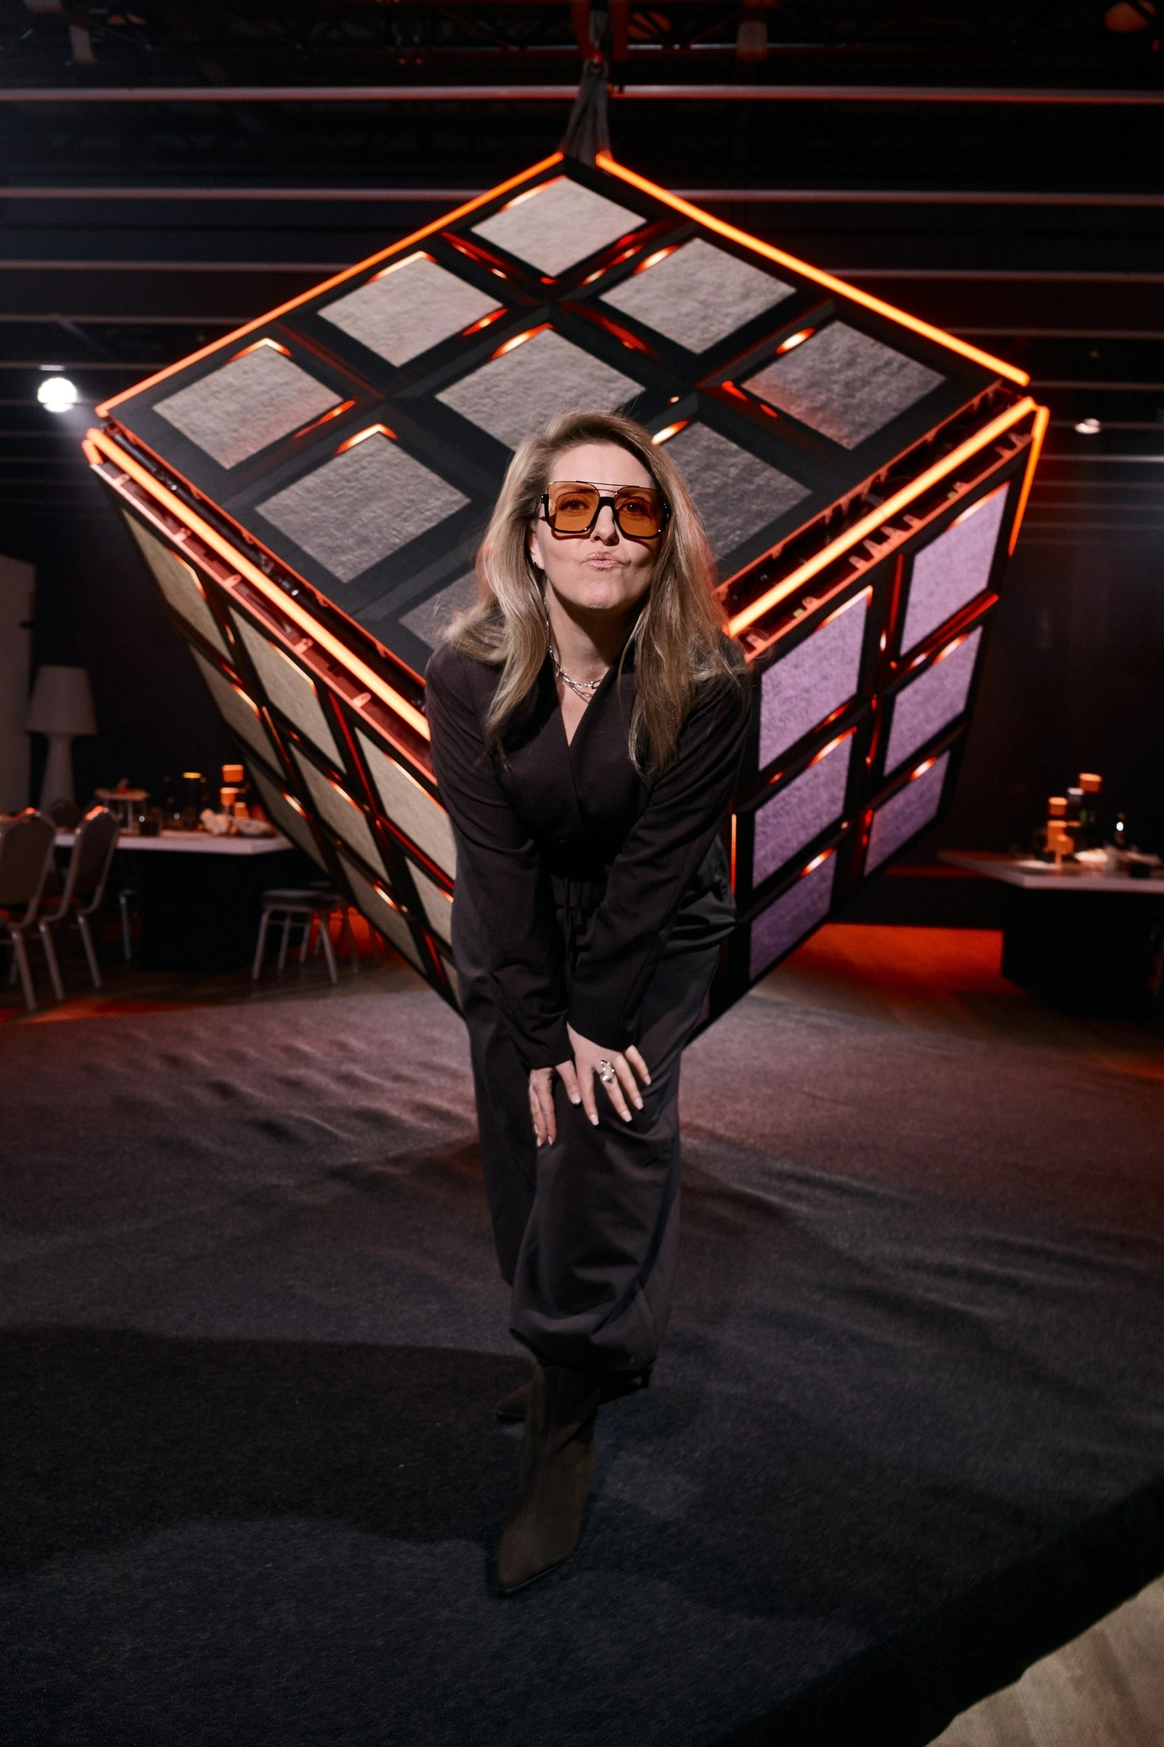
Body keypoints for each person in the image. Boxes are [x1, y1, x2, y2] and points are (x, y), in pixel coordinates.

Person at [425, 409, 751, 1594]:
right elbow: (496, 863)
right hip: (512, 929)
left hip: (650, 936)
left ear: (663, 538)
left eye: (635, 508)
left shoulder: (713, 682)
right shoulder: (466, 667)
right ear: (533, 531)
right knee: (525, 1140)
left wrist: (592, 1030)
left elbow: (657, 871)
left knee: (607, 1137)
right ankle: (574, 1352)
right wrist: (535, 1032)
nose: (606, 531)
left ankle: (567, 1416)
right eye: (576, 506)